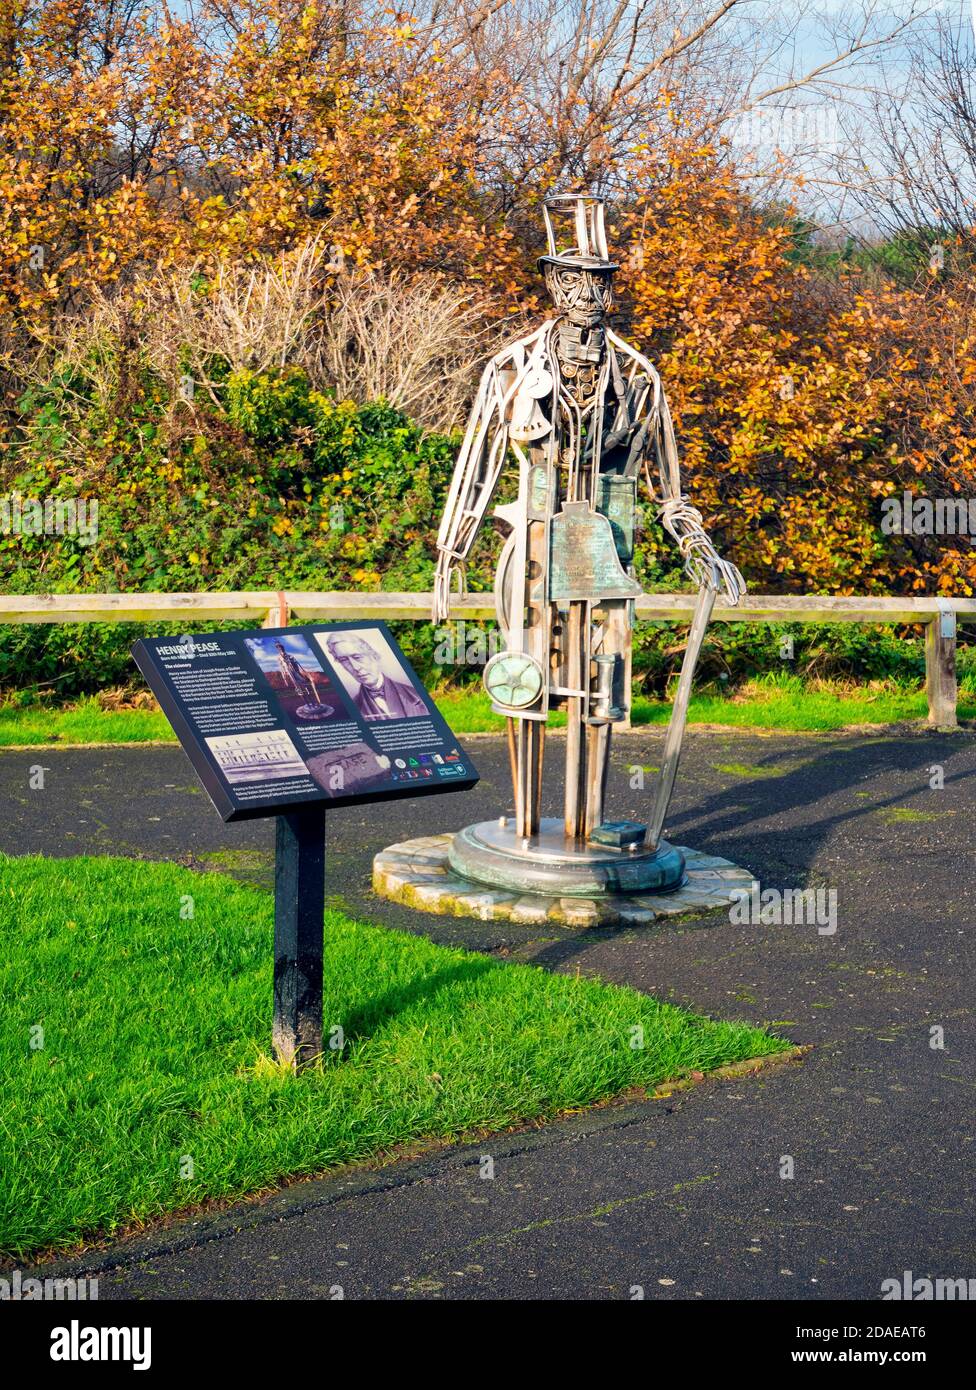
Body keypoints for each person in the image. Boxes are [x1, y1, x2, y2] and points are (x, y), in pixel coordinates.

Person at [324, 633, 427, 720]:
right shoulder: (352, 708)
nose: (355, 667)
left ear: (373, 655)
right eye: (344, 660)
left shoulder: (415, 694)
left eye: (357, 657)